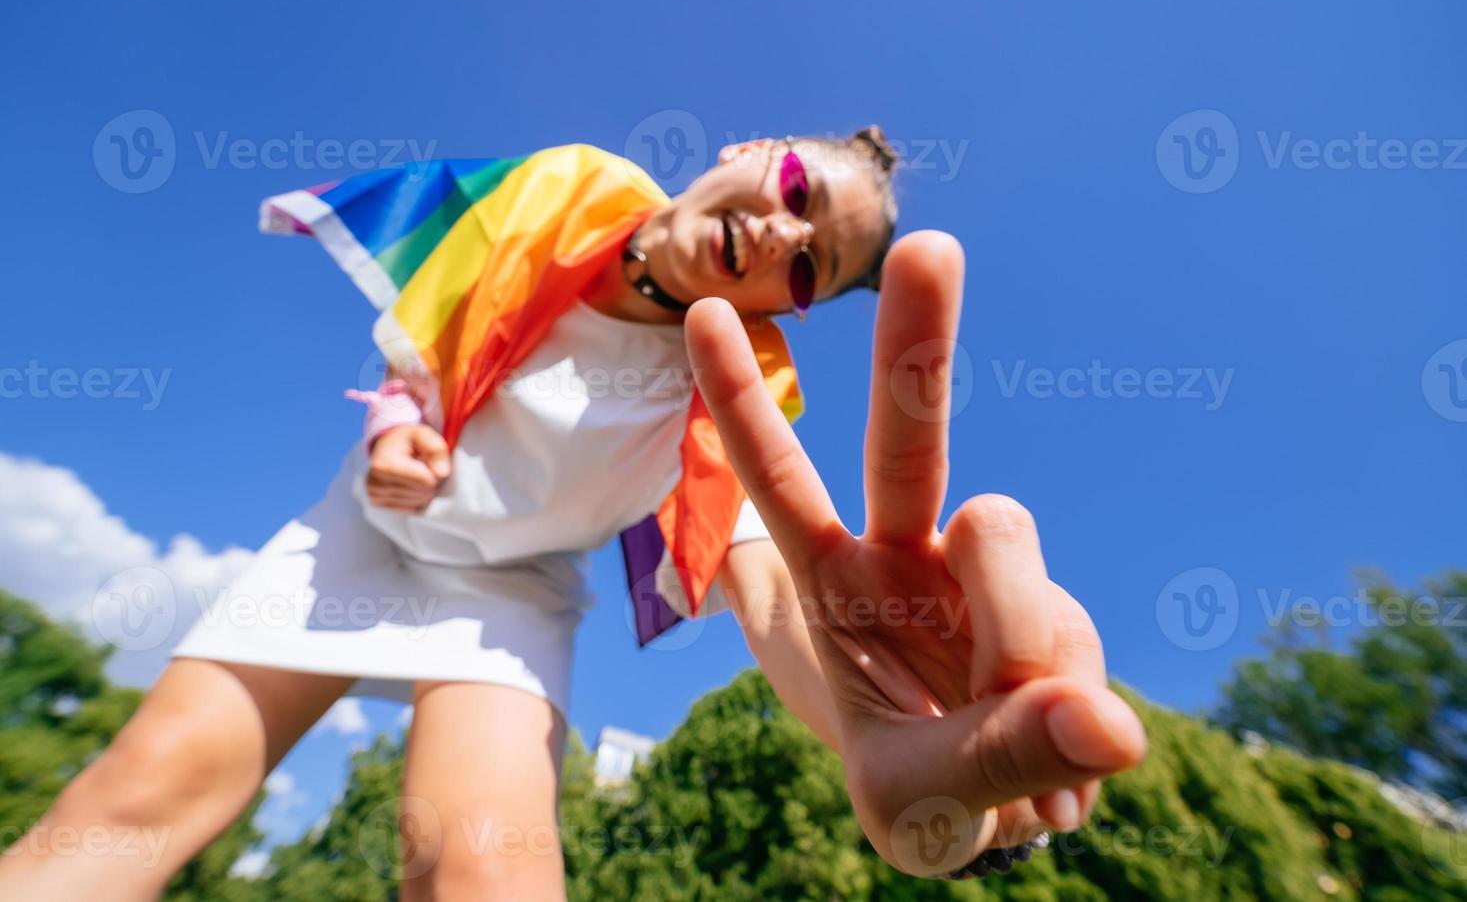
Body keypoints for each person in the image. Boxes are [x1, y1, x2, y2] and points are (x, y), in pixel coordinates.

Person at [0, 128, 1145, 899]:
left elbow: (766, 579)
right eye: (798, 193)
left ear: (781, 310)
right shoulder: (560, 193)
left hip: (510, 593)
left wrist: (877, 733)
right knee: (142, 795)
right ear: (747, 152)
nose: (791, 235)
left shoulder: (738, 382)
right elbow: (433, 341)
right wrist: (393, 425)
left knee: (482, 870)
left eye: (812, 267)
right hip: (356, 540)